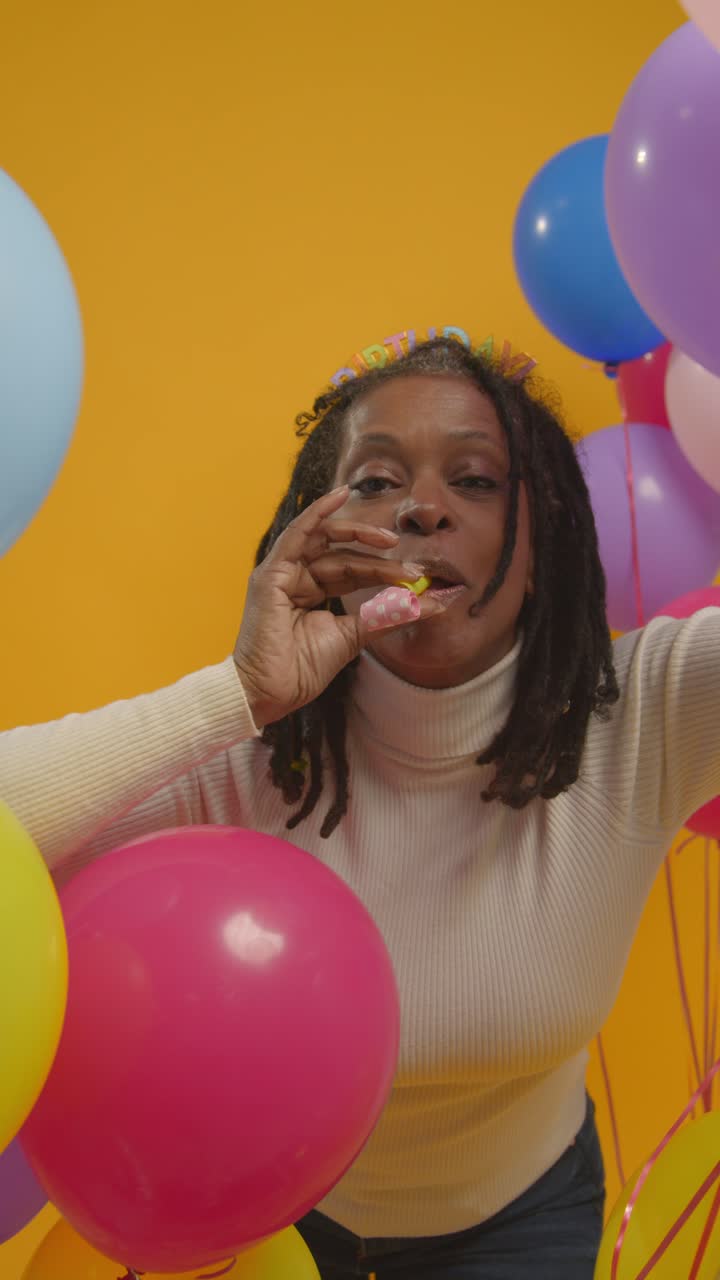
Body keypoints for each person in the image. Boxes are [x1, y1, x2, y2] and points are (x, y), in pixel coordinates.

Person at [2, 334, 719, 1280]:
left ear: (541, 543)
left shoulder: (648, 710)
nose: (424, 508)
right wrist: (239, 695)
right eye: (376, 482)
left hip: (523, 1217)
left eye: (476, 479)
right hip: (265, 1221)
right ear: (319, 537)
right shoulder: (237, 760)